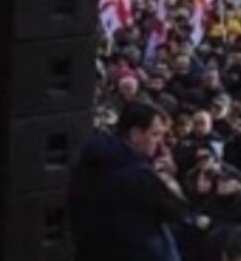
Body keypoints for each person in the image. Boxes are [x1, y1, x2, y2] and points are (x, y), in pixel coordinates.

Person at [71, 100, 189, 261]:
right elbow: (179, 211)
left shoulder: (90, 161)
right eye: (154, 134)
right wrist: (167, 179)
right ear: (135, 134)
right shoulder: (139, 177)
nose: (160, 142)